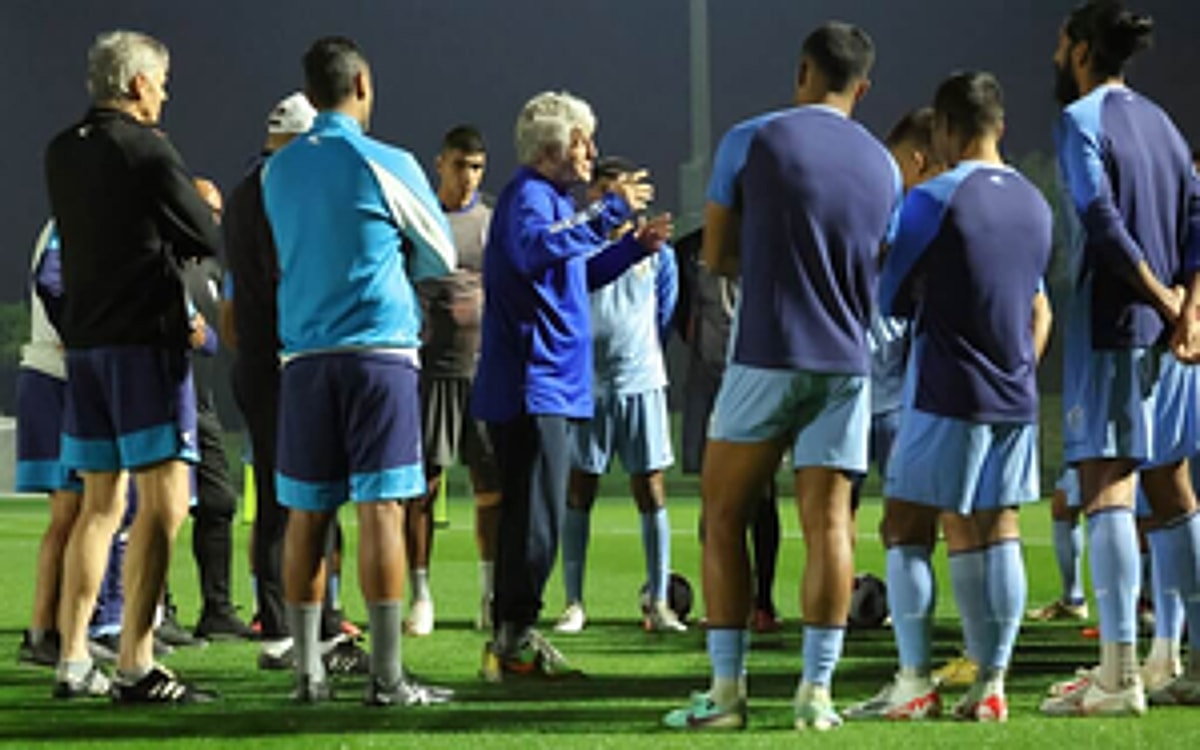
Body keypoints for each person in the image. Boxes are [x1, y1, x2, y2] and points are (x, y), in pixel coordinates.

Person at [663, 22, 901, 731]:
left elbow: (714, 250)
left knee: (724, 515)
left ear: (802, 70)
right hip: (847, 362)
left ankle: (729, 694)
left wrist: (760, 263)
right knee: (831, 524)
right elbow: (878, 263)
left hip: (768, 349)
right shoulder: (885, 166)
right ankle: (816, 696)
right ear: (862, 87)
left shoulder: (751, 138)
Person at [844, 71, 1053, 723]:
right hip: (1016, 393)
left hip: (946, 386)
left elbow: (891, 296)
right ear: (1000, 126)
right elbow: (1033, 302)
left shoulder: (932, 199)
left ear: (947, 131)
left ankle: (913, 682)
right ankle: (990, 685)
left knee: (905, 527)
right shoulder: (1034, 201)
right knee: (998, 531)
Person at [262, 36, 456, 705]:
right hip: (377, 352)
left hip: (304, 358)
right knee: (382, 510)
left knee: (306, 515)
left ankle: (307, 676)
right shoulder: (388, 161)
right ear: (363, 84)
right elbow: (440, 251)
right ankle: (388, 678)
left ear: (310, 94)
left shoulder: (276, 172)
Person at [45, 29, 221, 702]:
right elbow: (201, 235)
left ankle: (71, 658)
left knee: (99, 505)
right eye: (163, 81)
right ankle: (136, 662)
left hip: (86, 345)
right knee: (166, 502)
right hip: (144, 341)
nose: (167, 92)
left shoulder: (61, 150)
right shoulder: (148, 147)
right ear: (139, 84)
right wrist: (195, 198)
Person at [473, 90, 672, 680]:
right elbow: (537, 252)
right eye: (582, 139)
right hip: (534, 384)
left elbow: (571, 272)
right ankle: (513, 641)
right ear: (552, 147)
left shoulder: (547, 199)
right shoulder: (528, 199)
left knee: (535, 519)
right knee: (535, 521)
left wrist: (630, 248)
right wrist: (610, 210)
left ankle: (514, 638)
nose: (591, 150)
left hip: (550, 384)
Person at [1043, 0, 1200, 716]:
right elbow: (1198, 225)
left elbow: (1101, 220)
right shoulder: (1164, 126)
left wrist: (1165, 301)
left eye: (1059, 46)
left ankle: (1118, 674)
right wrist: (1190, 312)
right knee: (1171, 489)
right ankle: (1191, 662)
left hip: (1115, 326)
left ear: (1080, 51)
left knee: (1104, 483)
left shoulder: (1081, 123)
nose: (1054, 58)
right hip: (1172, 343)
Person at [221, 92, 367, 672]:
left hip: (265, 356)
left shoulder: (245, 192)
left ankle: (309, 621)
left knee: (298, 497)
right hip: (291, 354)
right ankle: (289, 628)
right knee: (300, 496)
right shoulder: (279, 187)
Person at [555, 156, 683, 635]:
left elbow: (664, 315)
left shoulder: (657, 254)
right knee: (579, 489)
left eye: (619, 190)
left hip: (641, 381)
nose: (610, 199)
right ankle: (574, 602)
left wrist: (641, 357)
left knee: (650, 488)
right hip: (587, 384)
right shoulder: (578, 249)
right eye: (602, 191)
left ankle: (660, 601)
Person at [403, 124, 502, 637]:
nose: (468, 177)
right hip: (431, 373)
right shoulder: (421, 219)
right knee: (423, 486)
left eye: (478, 168)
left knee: (490, 486)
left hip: (483, 373)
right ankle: (421, 596)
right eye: (461, 165)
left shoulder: (490, 222)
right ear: (440, 163)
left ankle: (489, 594)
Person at [675, 228, 783, 634]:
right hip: (709, 382)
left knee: (762, 493)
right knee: (713, 492)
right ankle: (720, 604)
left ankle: (764, 601)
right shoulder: (688, 249)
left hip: (758, 378)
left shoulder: (768, 242)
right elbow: (680, 314)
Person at [178, 178, 254, 640]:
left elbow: (213, 339)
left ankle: (217, 609)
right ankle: (156, 610)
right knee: (159, 510)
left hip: (201, 406)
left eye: (220, 213)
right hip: (164, 400)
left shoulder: (211, 268)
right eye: (208, 209)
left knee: (219, 503)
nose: (215, 220)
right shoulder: (163, 261)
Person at [15, 221, 82, 668]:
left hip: (52, 377)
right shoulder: (68, 219)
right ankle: (52, 631)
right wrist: (82, 335)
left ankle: (49, 631)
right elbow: (51, 280)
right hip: (55, 378)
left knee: (72, 514)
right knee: (74, 512)